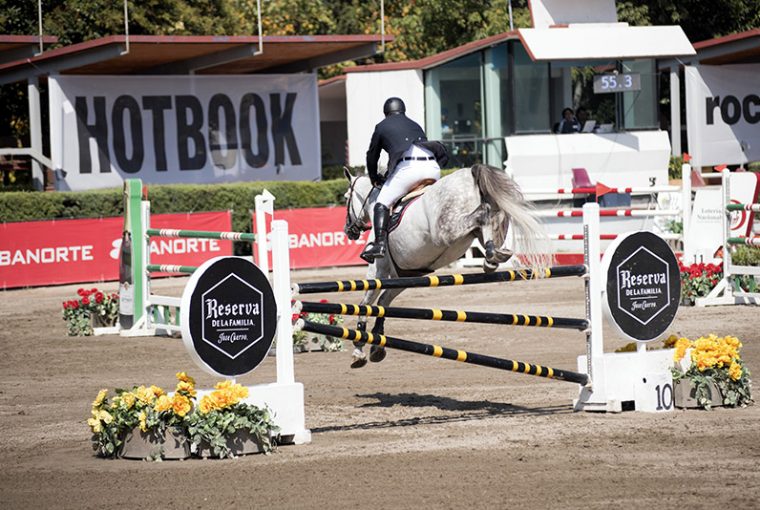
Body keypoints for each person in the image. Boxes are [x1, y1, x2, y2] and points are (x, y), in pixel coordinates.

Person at [361, 97, 448, 263]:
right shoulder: (415, 124)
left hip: (409, 169)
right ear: (403, 110)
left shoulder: (381, 126)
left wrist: (374, 178)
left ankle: (379, 244)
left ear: (386, 112)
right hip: (433, 168)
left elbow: (372, 156)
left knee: (381, 203)